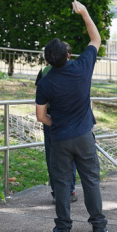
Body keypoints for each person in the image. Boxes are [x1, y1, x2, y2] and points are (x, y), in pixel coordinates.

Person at [35, 0, 108, 232]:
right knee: (91, 181)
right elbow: (95, 40)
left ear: (48, 60)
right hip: (85, 136)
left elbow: (40, 116)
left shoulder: (45, 82)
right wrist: (85, 13)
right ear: (68, 55)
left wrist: (55, 123)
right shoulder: (82, 67)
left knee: (63, 184)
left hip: (60, 139)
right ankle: (98, 227)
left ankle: (64, 229)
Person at [35, 64, 78, 205]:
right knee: (70, 155)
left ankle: (57, 192)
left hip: (50, 117)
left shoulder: (44, 71)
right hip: (71, 117)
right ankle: (69, 190)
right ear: (68, 56)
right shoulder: (75, 69)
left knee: (52, 156)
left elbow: (40, 95)